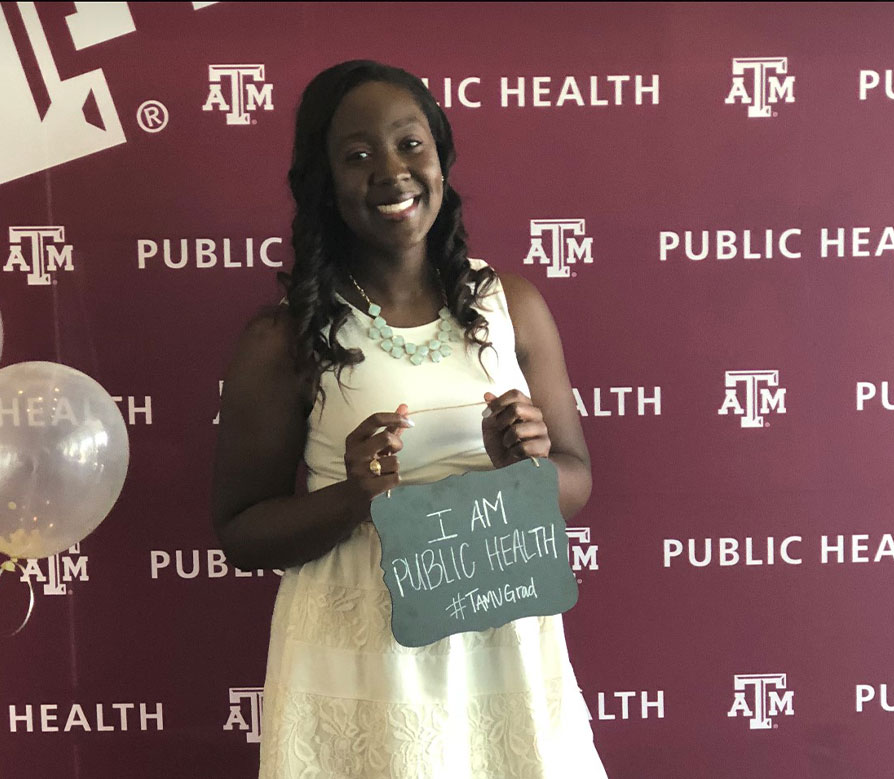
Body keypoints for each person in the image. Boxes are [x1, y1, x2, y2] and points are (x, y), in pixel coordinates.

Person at [212, 60, 607, 778]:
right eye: (357, 155)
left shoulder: (511, 303)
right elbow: (241, 531)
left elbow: (574, 482)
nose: (392, 172)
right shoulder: (287, 337)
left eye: (409, 144)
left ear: (442, 157)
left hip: (503, 650)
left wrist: (529, 467)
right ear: (325, 184)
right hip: (366, 666)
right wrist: (356, 496)